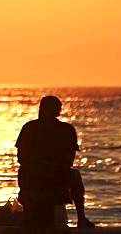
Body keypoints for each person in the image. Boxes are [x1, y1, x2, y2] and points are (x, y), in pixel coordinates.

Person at [16, 96, 95, 229]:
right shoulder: (66, 129)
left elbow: (21, 158)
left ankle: (28, 215)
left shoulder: (29, 127)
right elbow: (69, 160)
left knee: (24, 171)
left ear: (41, 109)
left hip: (31, 178)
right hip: (57, 178)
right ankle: (81, 218)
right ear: (58, 111)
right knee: (76, 175)